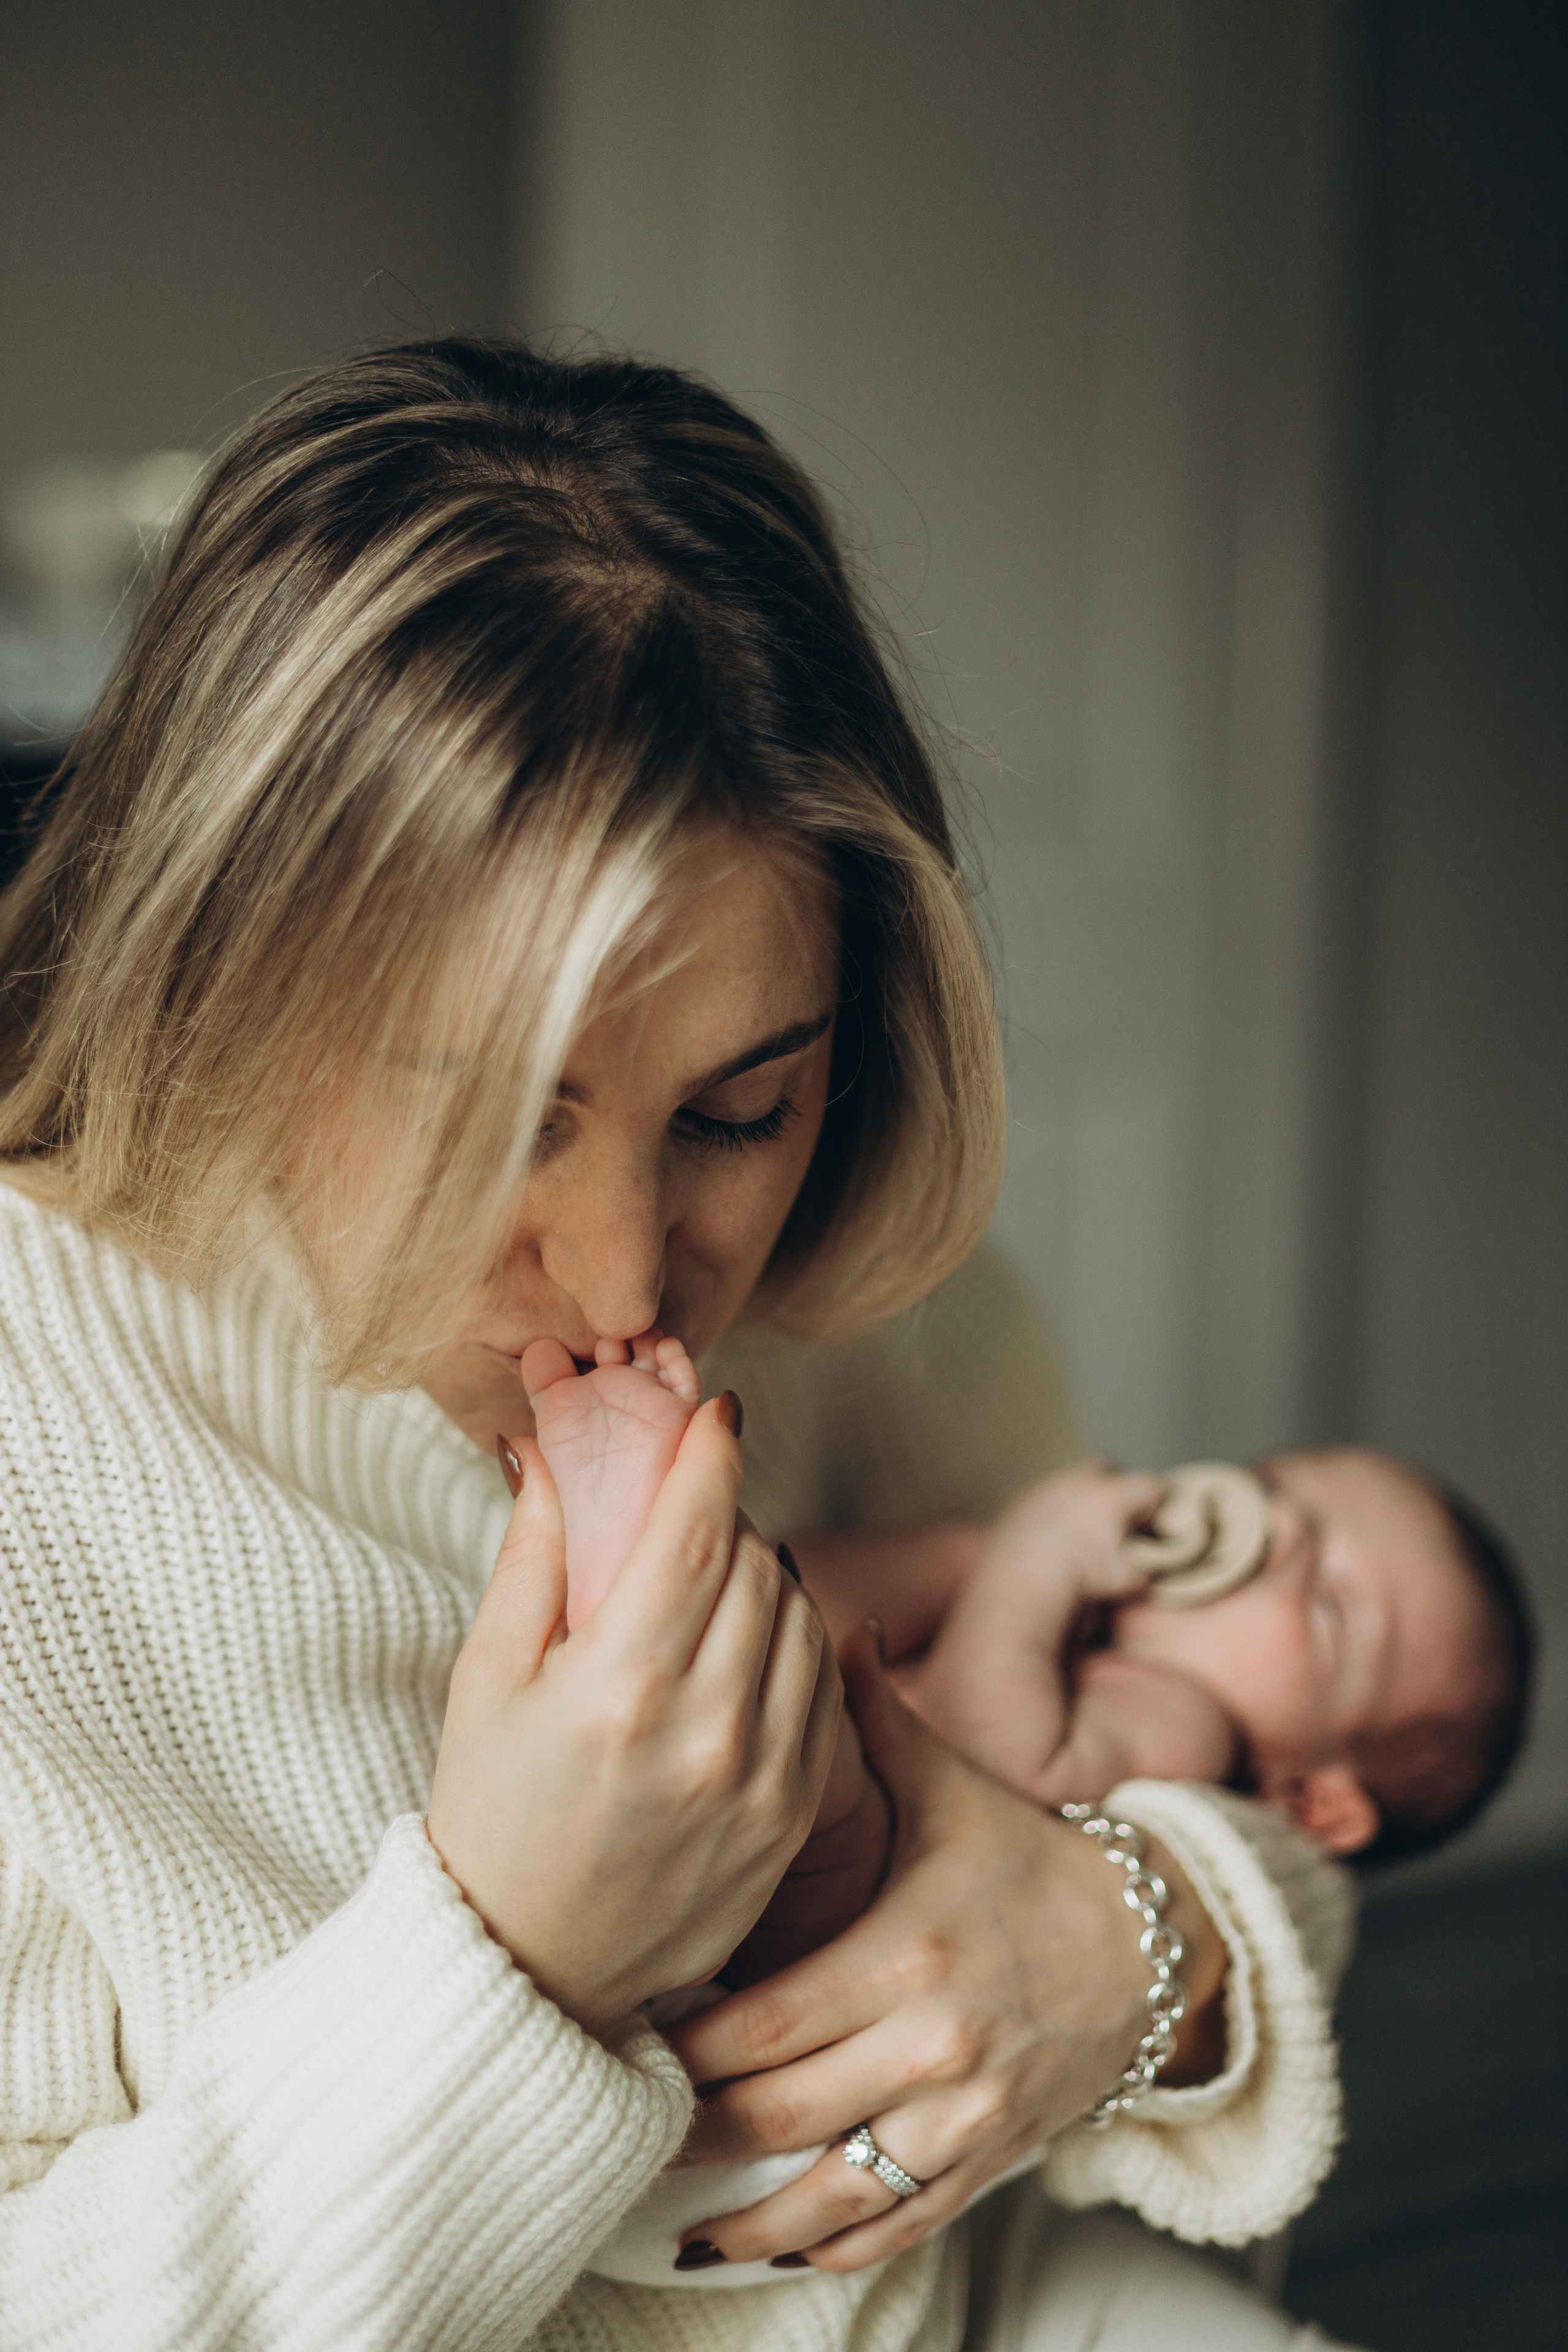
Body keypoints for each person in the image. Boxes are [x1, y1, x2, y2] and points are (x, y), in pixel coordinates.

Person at [0, 336, 1356, 2350]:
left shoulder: (893, 1308)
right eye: (491, 1119)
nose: (638, 1284)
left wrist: (1144, 1943)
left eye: (740, 1112)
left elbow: (1205, 1778)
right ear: (226, 991)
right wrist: (512, 1959)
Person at [900, 1450, 1533, 1863]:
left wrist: (1034, 1557)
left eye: (1329, 1607)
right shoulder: (1071, 1615)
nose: (1274, 1532)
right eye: (1268, 1490)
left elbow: (984, 1768)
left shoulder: (1182, 1727)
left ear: (1309, 1801)